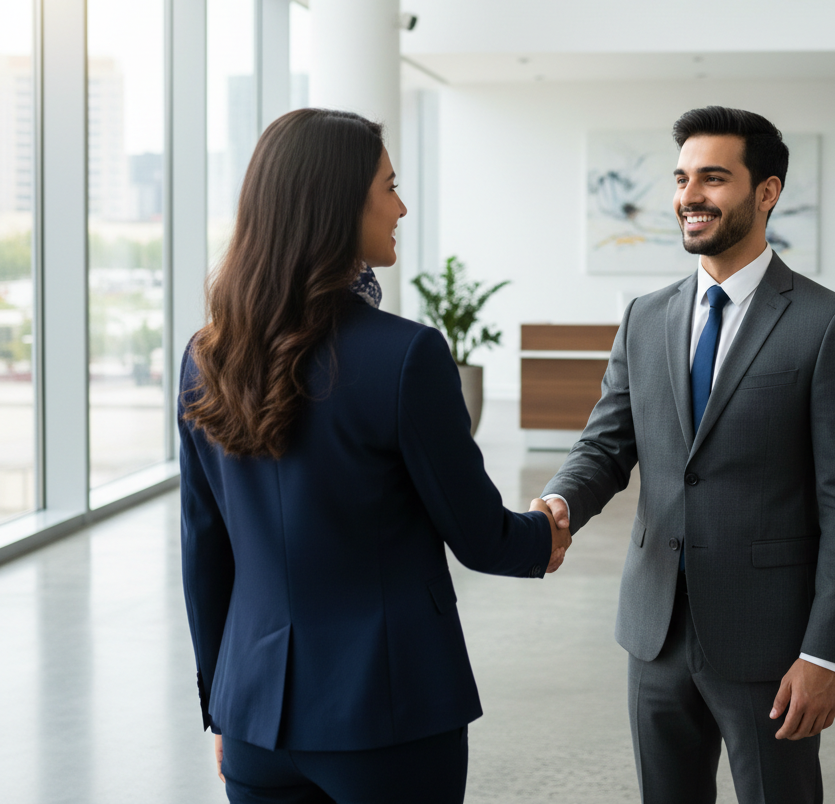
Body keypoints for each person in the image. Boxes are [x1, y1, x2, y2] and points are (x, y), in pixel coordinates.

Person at [179, 108, 570, 804]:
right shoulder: (406, 355)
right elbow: (479, 536)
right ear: (337, 206)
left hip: (255, 718)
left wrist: (224, 703)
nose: (401, 207)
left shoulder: (206, 356)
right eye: (389, 187)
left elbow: (204, 549)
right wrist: (545, 534)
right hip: (389, 715)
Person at [541, 106, 835, 804]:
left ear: (767, 192)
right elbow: (606, 443)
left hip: (770, 641)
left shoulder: (828, 323)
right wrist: (559, 502)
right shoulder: (645, 316)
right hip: (654, 632)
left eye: (713, 178)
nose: (689, 196)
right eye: (681, 179)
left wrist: (825, 652)